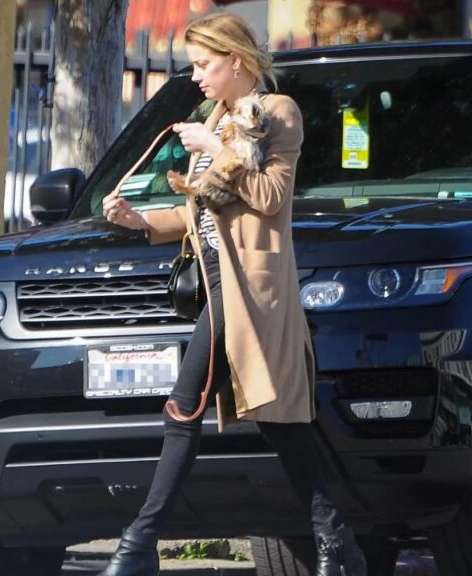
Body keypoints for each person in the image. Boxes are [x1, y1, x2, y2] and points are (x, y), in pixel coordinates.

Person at [99, 12, 367, 576]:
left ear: (235, 61)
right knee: (279, 423)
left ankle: (138, 547)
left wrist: (212, 148)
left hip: (251, 289)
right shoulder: (216, 120)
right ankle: (337, 541)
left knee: (182, 406)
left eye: (203, 64)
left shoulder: (275, 113)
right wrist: (137, 221)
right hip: (217, 283)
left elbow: (270, 196)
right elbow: (200, 212)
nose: (195, 76)